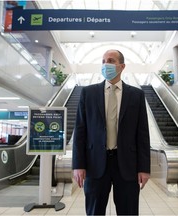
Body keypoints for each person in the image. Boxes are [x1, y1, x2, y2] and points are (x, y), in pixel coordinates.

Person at [72, 49, 150, 215]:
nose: (106, 64)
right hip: (95, 164)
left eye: (111, 60)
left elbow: (142, 134)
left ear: (122, 66)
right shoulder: (88, 93)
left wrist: (144, 168)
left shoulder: (136, 95)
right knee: (94, 211)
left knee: (128, 211)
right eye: (103, 61)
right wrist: (78, 165)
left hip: (127, 165)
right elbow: (80, 130)